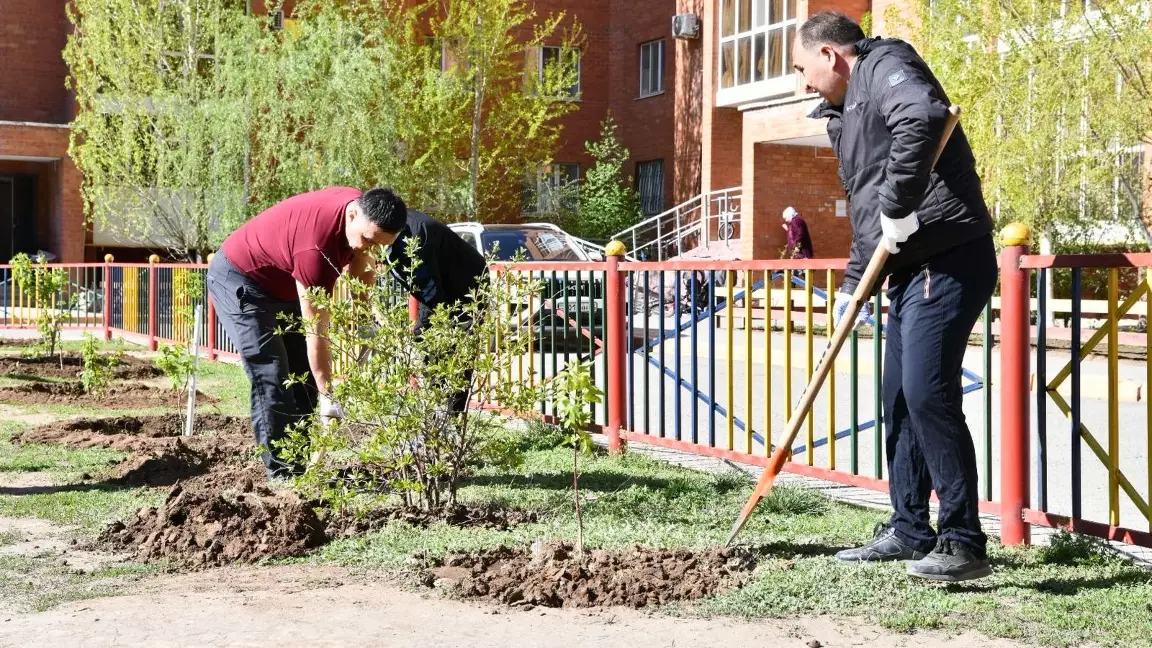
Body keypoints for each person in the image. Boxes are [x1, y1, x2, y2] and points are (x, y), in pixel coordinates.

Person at [792, 12, 996, 581]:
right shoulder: (845, 112)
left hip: (947, 255)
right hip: (909, 266)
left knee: (927, 392)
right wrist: (855, 284)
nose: (804, 82)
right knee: (899, 398)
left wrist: (900, 207)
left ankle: (962, 540)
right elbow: (868, 211)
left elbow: (925, 118)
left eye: (803, 68)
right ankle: (909, 529)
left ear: (831, 55)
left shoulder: (887, 65)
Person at [208, 187, 398, 479]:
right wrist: (328, 394)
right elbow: (316, 331)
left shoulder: (361, 215)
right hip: (241, 279)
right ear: (352, 215)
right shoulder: (315, 250)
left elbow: (363, 266)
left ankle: (301, 464)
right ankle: (283, 474)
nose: (369, 249)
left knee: (302, 375)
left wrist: (364, 320)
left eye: (380, 245)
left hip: (284, 283)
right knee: (272, 373)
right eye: (368, 241)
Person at [382, 201, 488, 417]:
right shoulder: (388, 224)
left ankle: (450, 418)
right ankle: (436, 413)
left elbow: (431, 293)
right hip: (442, 280)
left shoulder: (414, 235)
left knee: (455, 351)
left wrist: (426, 330)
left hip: (467, 286)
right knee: (428, 340)